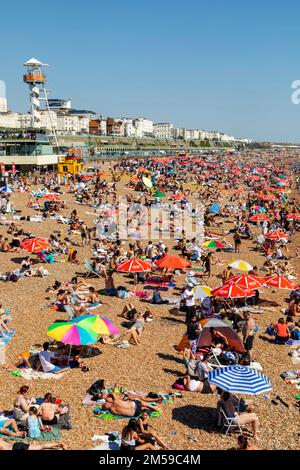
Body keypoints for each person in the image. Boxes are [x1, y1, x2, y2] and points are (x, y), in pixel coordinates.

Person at [0, 439, 66, 451]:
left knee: (40, 447)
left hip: (15, 448)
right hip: (16, 445)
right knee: (40, 447)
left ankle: (59, 444)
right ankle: (58, 445)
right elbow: (6, 441)